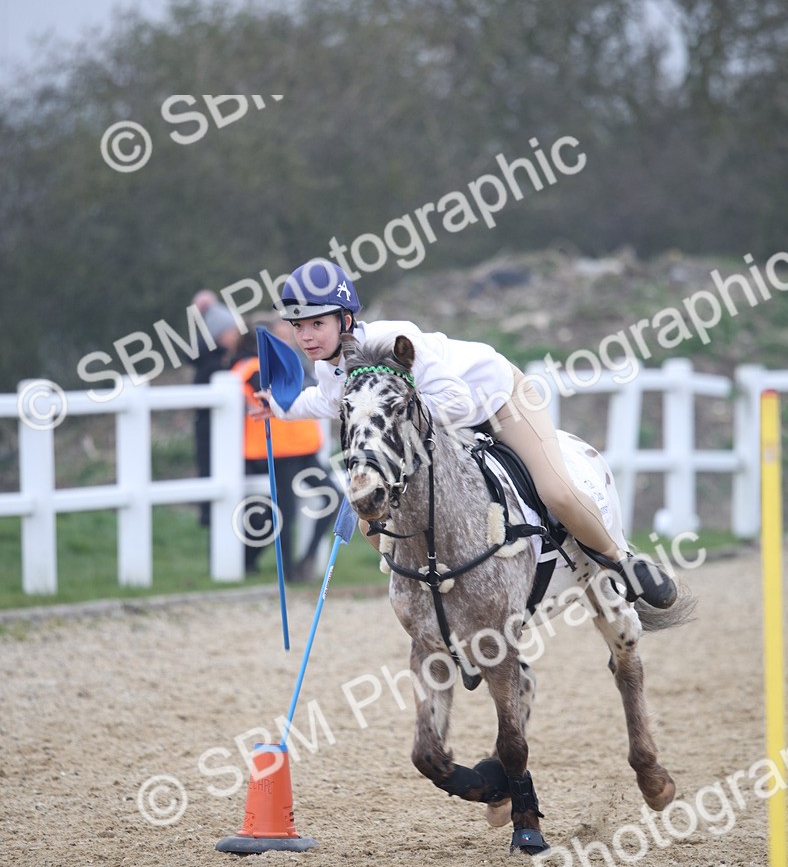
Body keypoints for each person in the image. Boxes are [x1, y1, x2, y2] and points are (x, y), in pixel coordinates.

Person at [253, 258, 677, 608]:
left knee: (556, 491)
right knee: (369, 516)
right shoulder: (331, 362)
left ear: (345, 319)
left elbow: (453, 399)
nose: (305, 336)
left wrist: (398, 422)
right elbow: (328, 401)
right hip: (442, 424)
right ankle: (428, 590)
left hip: (498, 399)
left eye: (315, 324)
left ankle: (623, 564)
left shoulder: (396, 341)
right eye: (298, 326)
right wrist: (281, 408)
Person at [231, 317, 338, 579]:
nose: (289, 340)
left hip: (304, 449)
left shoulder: (296, 365)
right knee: (284, 514)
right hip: (278, 452)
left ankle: (306, 559)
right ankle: (287, 572)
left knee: (333, 497)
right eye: (280, 336)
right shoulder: (252, 368)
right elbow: (274, 394)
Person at [192, 289, 241, 526]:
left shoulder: (219, 360)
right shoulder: (215, 365)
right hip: (210, 430)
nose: (235, 335)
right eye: (231, 331)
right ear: (219, 335)